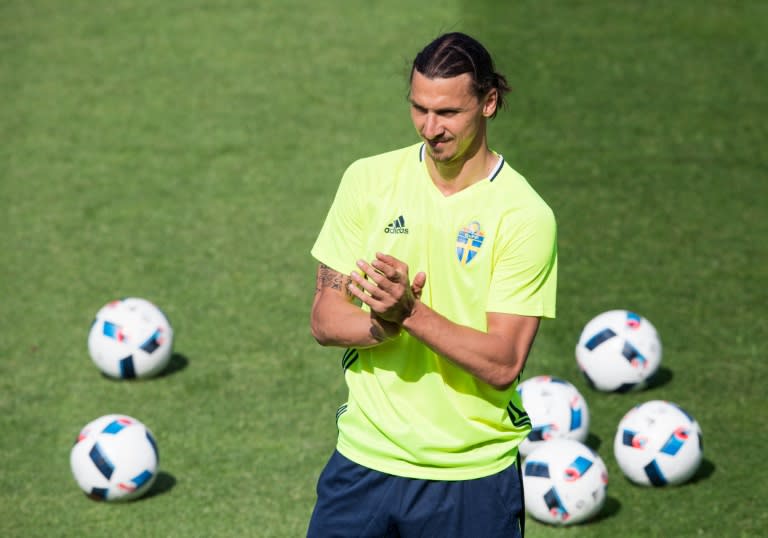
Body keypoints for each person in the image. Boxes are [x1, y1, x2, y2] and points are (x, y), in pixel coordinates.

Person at [307, 32, 557, 538]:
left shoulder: (524, 215)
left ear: (488, 103)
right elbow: (324, 319)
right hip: (364, 463)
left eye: (448, 113)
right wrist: (384, 325)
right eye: (419, 109)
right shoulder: (367, 180)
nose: (430, 128)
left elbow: (504, 362)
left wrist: (409, 314)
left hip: (471, 479)